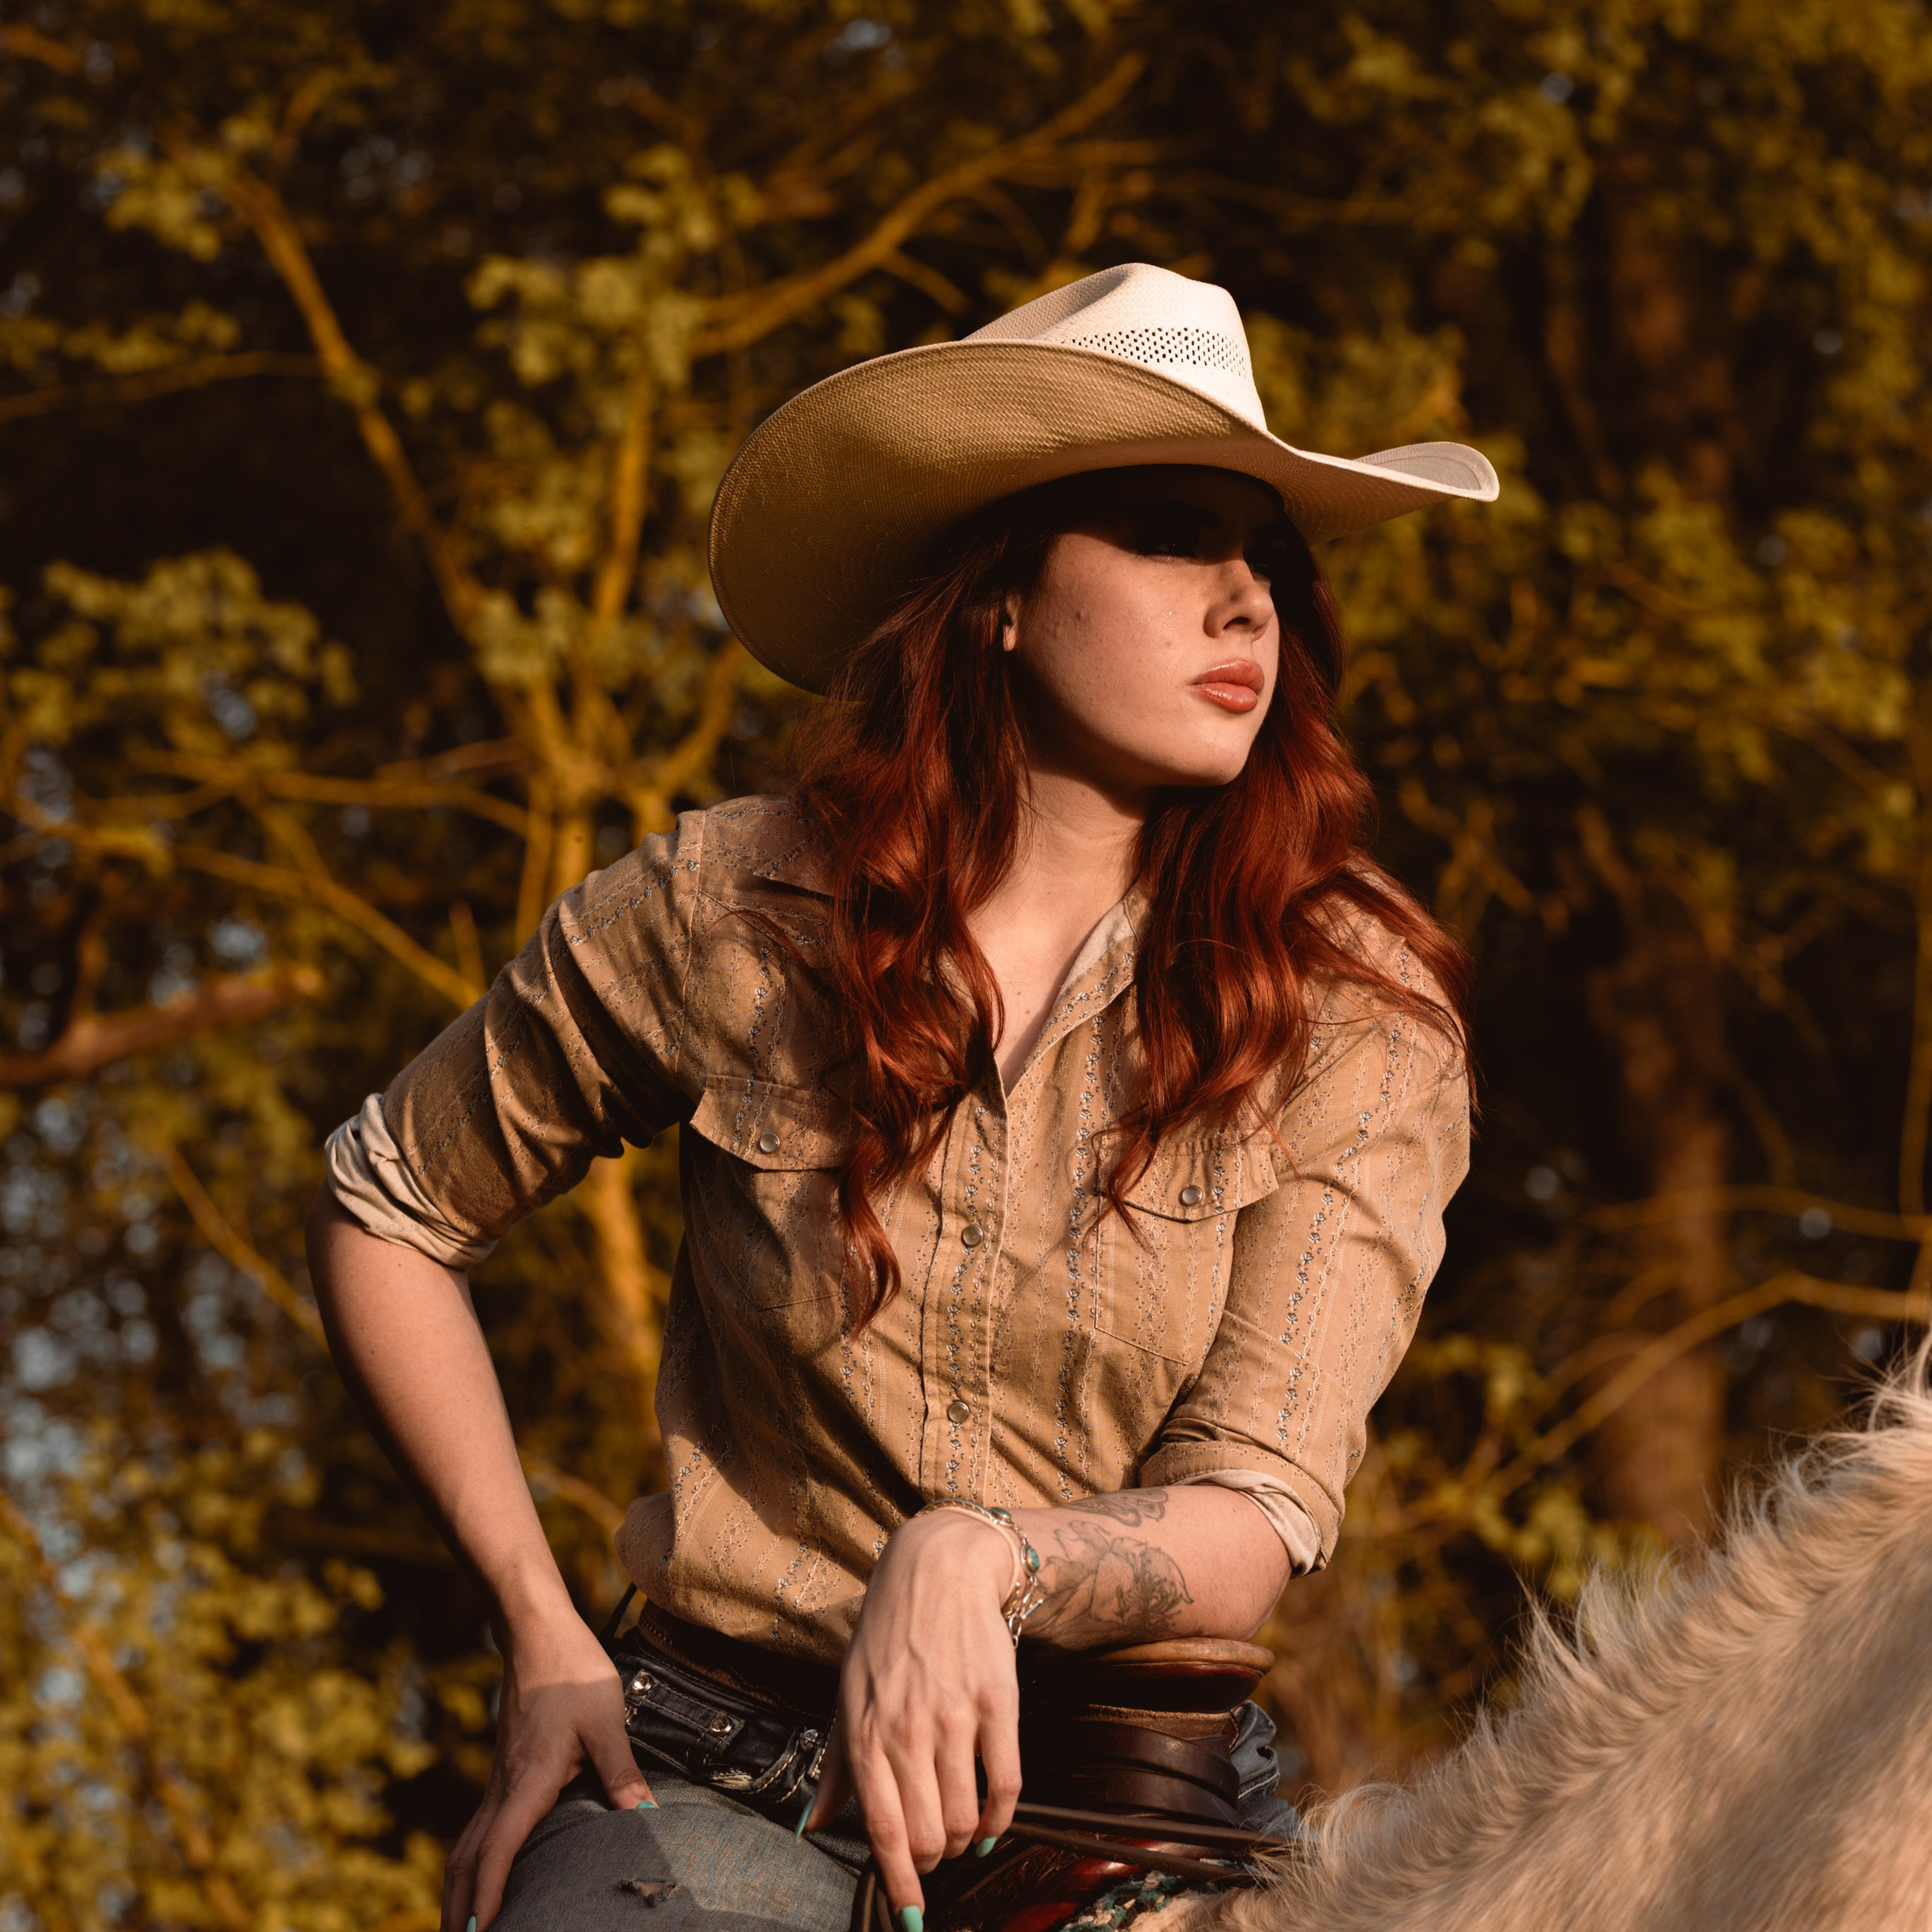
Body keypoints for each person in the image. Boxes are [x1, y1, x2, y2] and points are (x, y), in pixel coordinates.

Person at [307, 262, 1496, 1932]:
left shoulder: (1353, 1011)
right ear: (999, 590)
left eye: (1266, 560)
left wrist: (983, 1551)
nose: (1242, 601)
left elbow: (1254, 1504)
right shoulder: (727, 910)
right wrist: (537, 1623)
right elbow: (386, 1205)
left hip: (1120, 1826)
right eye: (1168, 530)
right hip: (709, 1774)